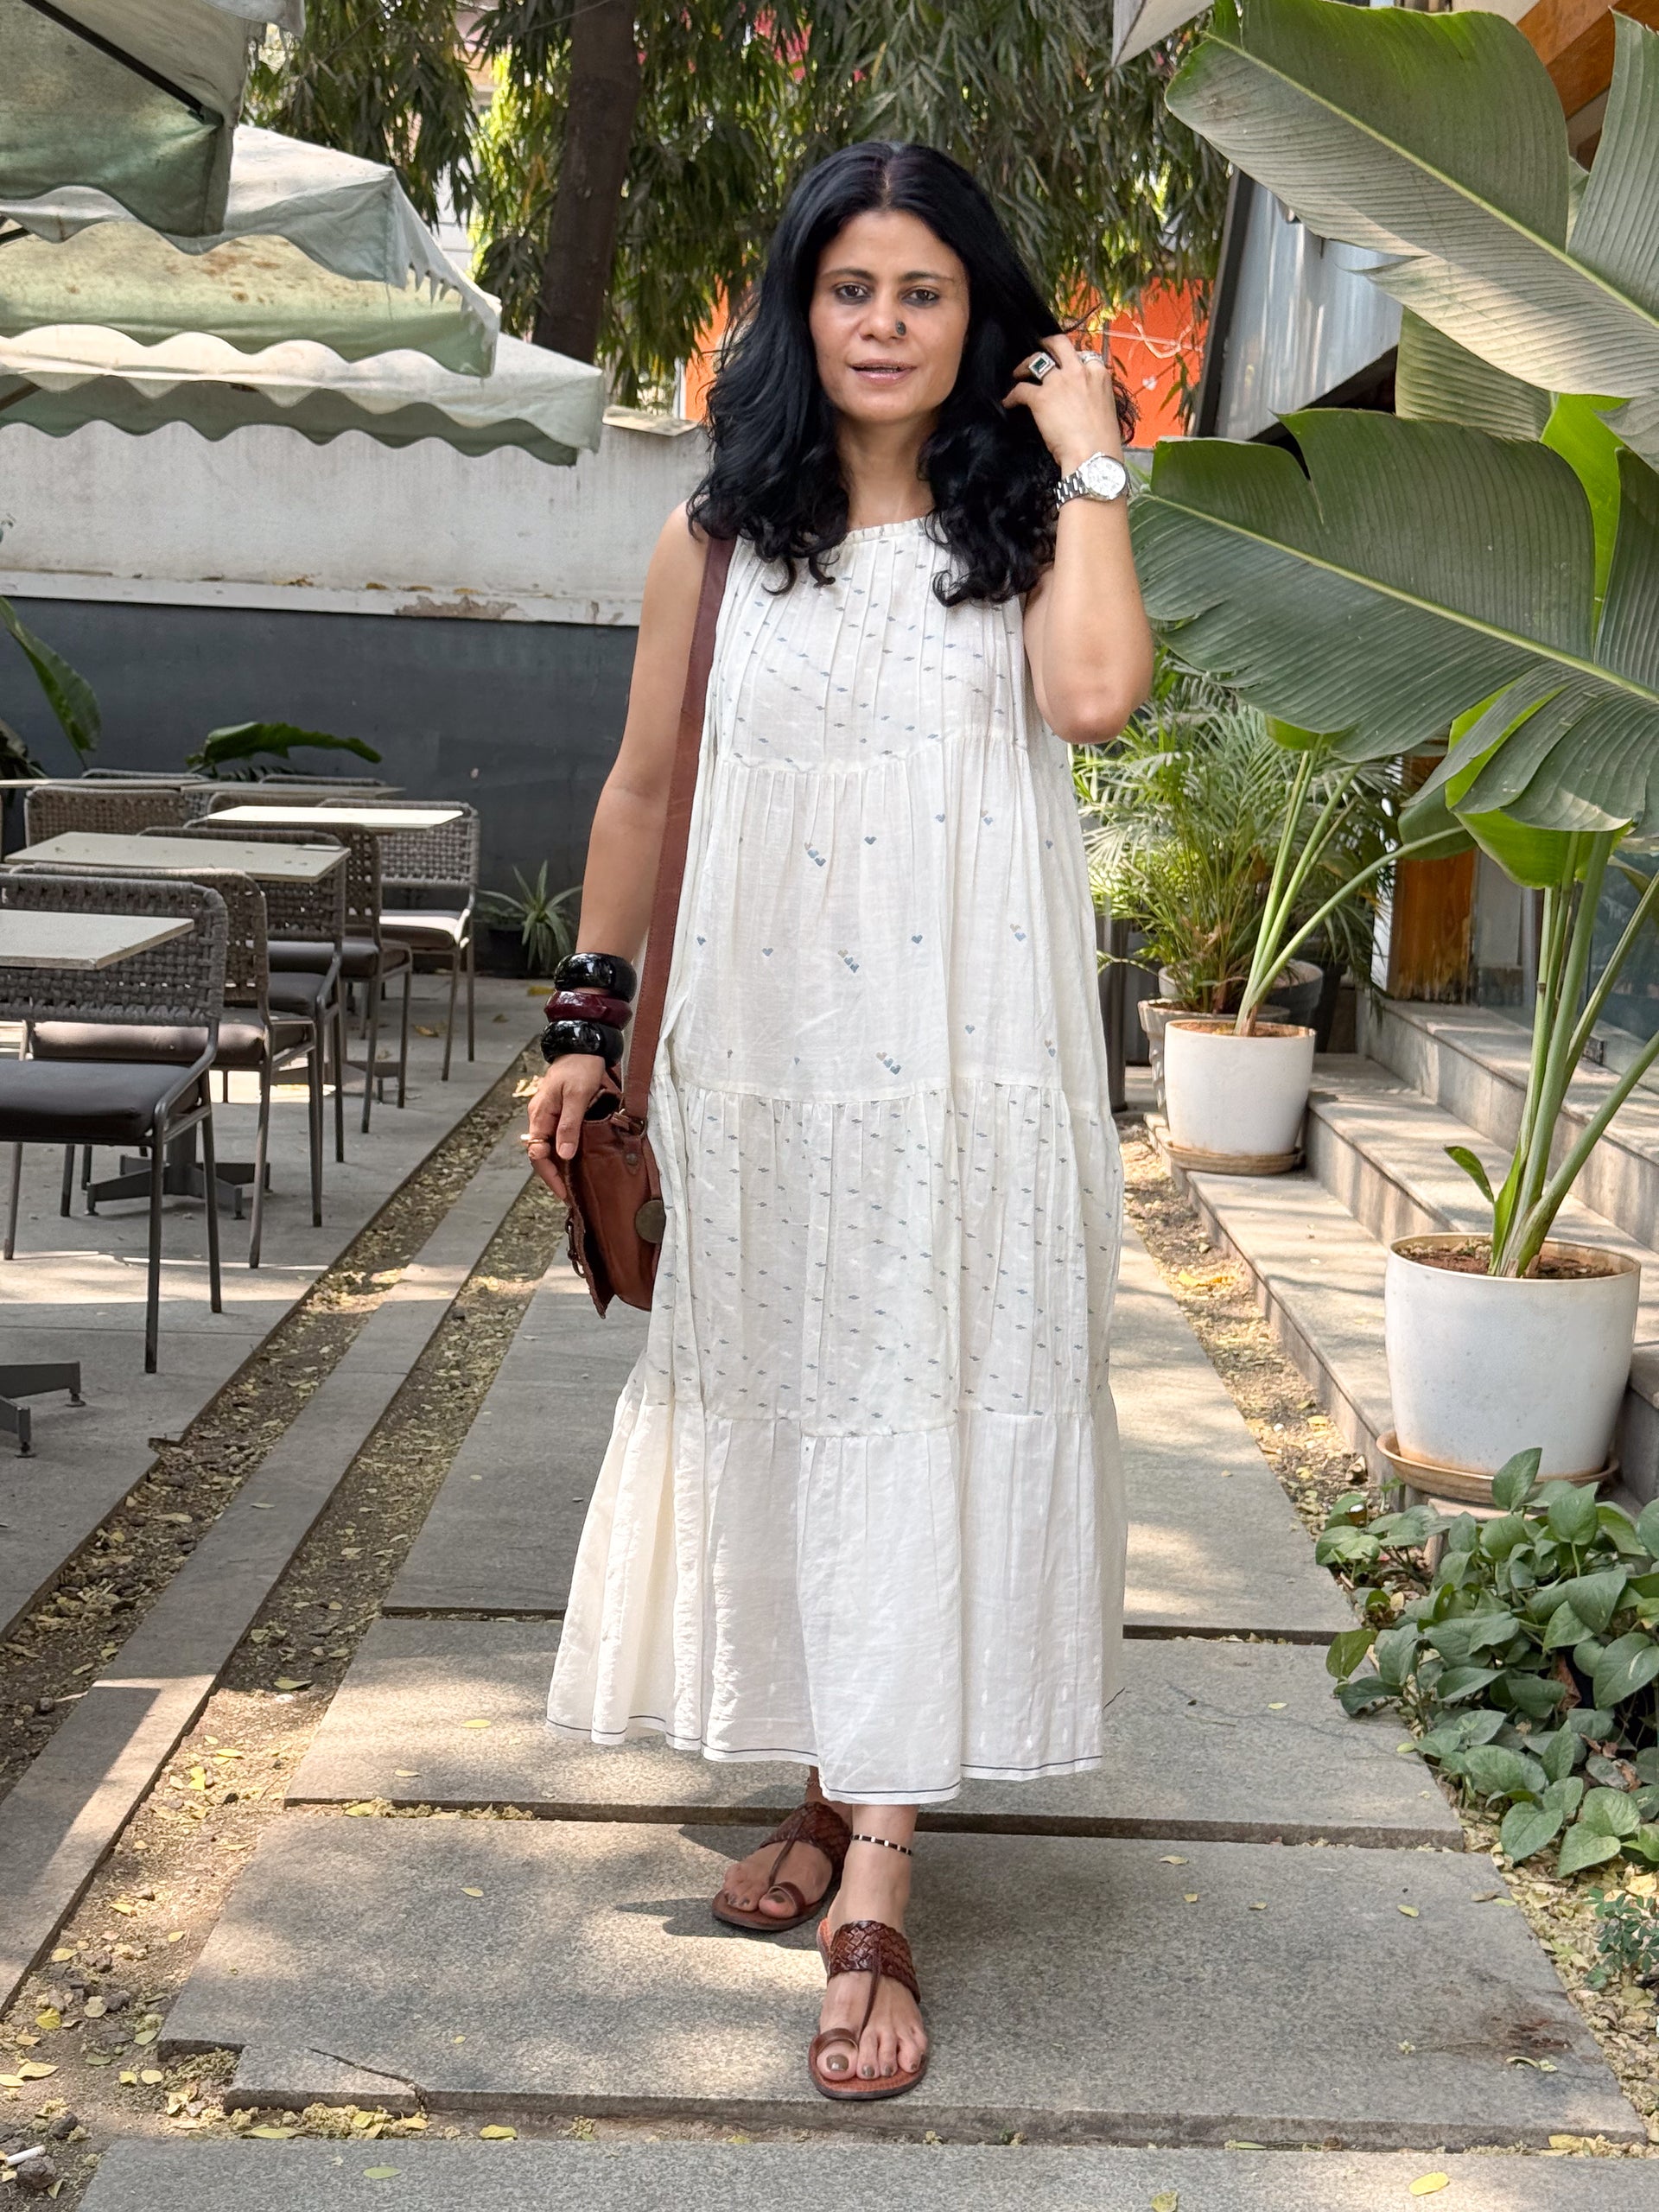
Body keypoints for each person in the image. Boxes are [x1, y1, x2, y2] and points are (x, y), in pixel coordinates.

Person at [524, 138, 1153, 2103]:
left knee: (925, 1391)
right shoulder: (715, 540)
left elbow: (1097, 700)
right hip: (769, 1066)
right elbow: (641, 791)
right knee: (808, 1394)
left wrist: (1093, 456)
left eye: (924, 292)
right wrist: (586, 1025)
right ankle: (833, 1767)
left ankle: (876, 1866)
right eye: (851, 288)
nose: (884, 325)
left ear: (980, 319)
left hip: (967, 1073)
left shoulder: (1022, 529)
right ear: (800, 310)